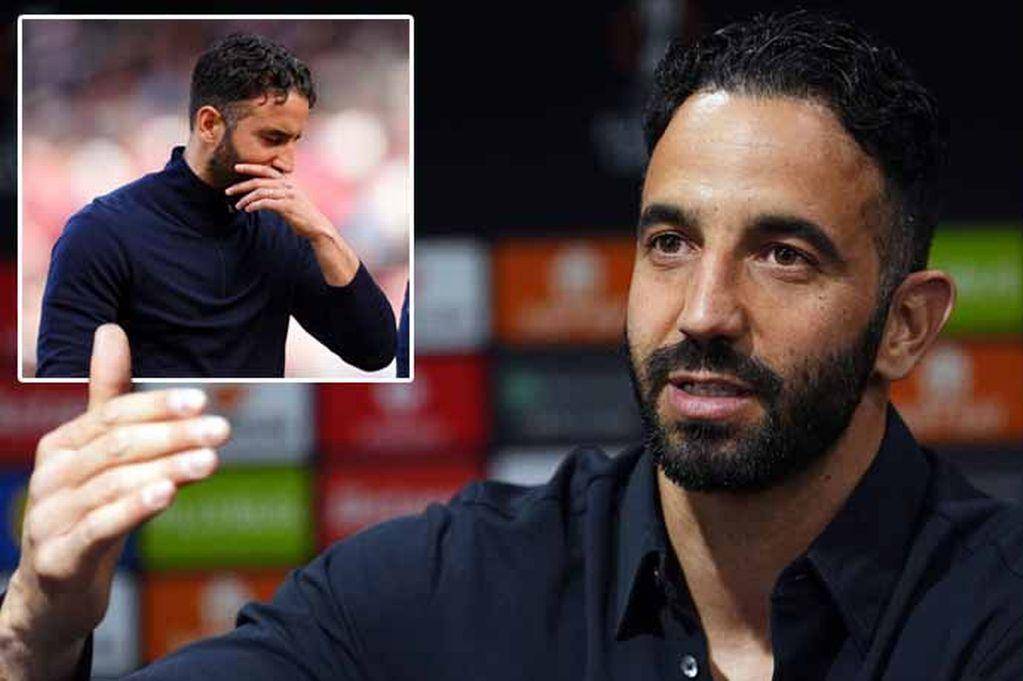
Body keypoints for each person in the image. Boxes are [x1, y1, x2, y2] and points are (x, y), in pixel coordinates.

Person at [4, 11, 1023, 680]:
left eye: (783, 256)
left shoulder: (997, 615)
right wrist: (37, 635)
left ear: (906, 325)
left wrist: (322, 241)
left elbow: (367, 340)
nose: (704, 311)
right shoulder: (446, 588)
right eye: (670, 243)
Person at [35, 33, 397, 378]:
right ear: (209, 124)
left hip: (261, 426)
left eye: (294, 141)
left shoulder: (282, 228)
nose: (288, 163)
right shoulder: (101, 232)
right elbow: (64, 383)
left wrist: (323, 234)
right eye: (272, 139)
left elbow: (375, 351)